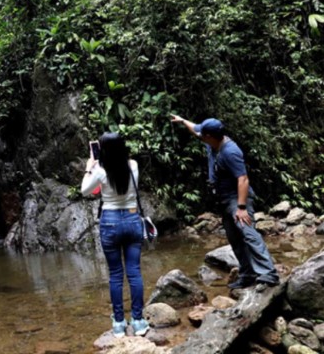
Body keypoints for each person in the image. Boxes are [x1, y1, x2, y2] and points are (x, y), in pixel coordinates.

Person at [170, 115, 280, 290]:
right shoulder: (212, 141)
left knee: (248, 234)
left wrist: (242, 207)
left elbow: (243, 179)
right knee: (235, 239)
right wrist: (183, 121)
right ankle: (248, 274)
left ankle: (269, 273)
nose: (200, 136)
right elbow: (195, 130)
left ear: (210, 136)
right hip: (223, 199)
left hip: (237, 198)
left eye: (203, 135)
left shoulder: (230, 151)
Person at [81, 132, 150, 337]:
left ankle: (119, 323)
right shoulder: (134, 165)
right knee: (134, 272)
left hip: (109, 221)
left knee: (115, 275)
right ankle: (138, 321)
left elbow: (85, 190)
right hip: (131, 218)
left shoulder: (100, 170)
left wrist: (89, 167)